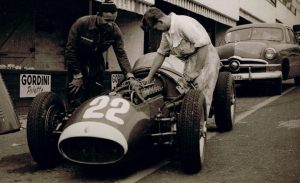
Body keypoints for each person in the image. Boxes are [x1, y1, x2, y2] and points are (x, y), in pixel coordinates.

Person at [141, 7, 220, 116]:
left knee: (200, 94)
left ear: (160, 21)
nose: (156, 31)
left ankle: (199, 126)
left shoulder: (183, 24)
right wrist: (149, 76)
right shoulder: (166, 33)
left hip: (207, 57)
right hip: (191, 59)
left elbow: (203, 46)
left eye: (155, 28)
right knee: (186, 92)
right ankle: (186, 120)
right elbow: (161, 54)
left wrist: (196, 71)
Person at [65, 0, 136, 109]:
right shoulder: (82, 23)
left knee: (94, 97)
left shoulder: (115, 31)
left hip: (96, 62)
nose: (110, 24)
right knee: (75, 96)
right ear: (98, 15)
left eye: (113, 21)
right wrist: (77, 74)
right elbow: (70, 50)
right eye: (107, 20)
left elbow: (121, 54)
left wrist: (129, 75)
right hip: (77, 61)